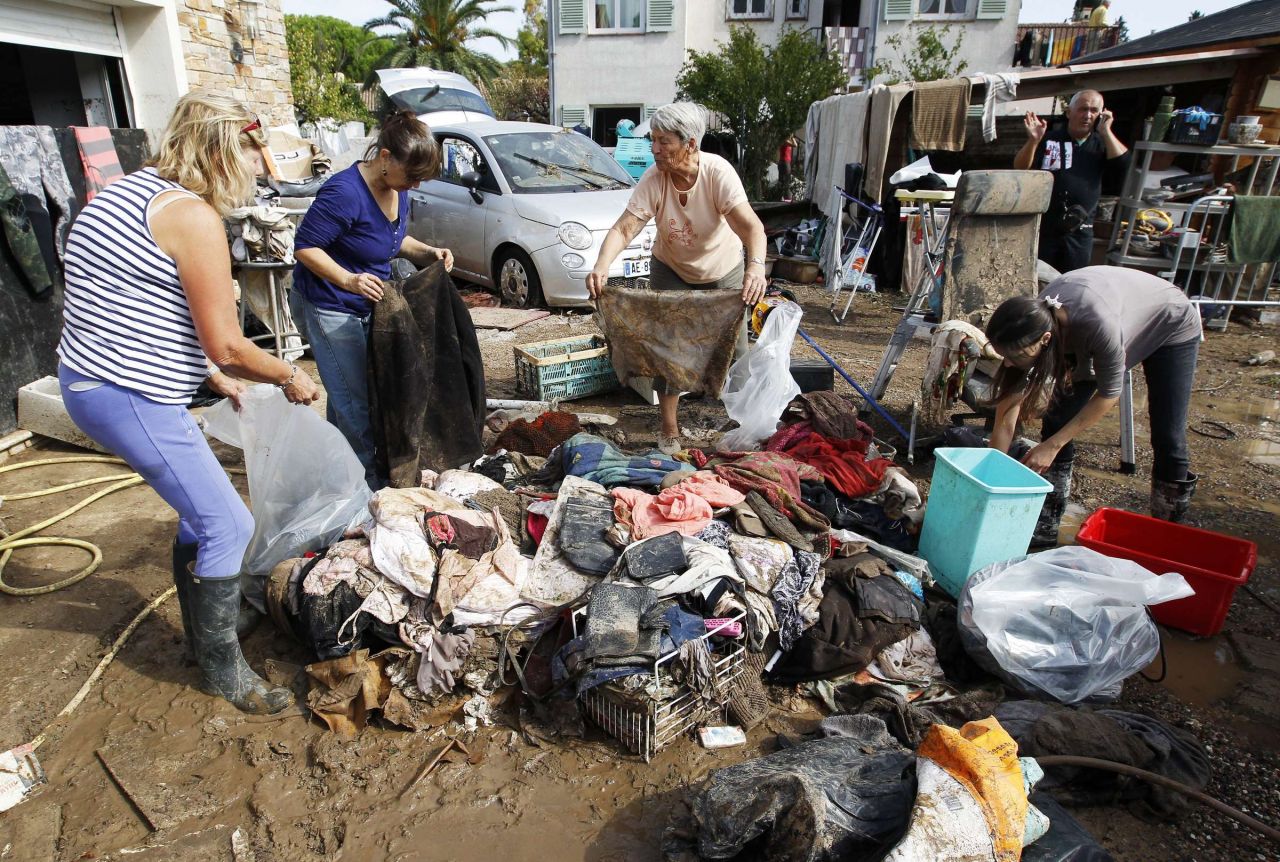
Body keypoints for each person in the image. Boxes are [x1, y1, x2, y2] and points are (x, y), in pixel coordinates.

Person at [57, 92, 321, 715]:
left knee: (200, 510)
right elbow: (231, 343)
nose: (261, 166)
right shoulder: (193, 217)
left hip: (94, 377)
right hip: (128, 393)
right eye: (255, 151)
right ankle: (222, 667)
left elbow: (132, 301)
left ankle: (209, 629)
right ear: (225, 149)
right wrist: (288, 375)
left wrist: (202, 372)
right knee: (230, 523)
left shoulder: (126, 191)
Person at [587, 102, 768, 454]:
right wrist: (602, 264)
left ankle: (746, 427)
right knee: (667, 348)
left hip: (723, 270)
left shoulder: (718, 174)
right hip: (671, 268)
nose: (654, 149)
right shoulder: (654, 179)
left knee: (737, 352)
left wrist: (756, 266)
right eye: (652, 140)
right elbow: (626, 227)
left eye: (664, 141)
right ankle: (669, 428)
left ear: (691, 144)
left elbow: (752, 228)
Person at [289, 110, 453, 488]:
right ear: (384, 157)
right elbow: (305, 247)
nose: (413, 185)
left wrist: (428, 252)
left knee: (349, 395)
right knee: (357, 405)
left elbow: (391, 242)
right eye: (410, 175)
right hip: (330, 305)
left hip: (368, 306)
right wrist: (348, 280)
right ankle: (369, 490)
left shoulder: (397, 190)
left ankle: (336, 473)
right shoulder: (344, 192)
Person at [984, 266, 1202, 545]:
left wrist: (1052, 446)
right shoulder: (1031, 325)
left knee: (1167, 435)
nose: (1008, 363)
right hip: (1093, 328)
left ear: (1045, 340)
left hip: (1170, 323)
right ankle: (1047, 524)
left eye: (1016, 356)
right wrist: (988, 477)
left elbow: (1108, 394)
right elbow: (1005, 419)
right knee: (1057, 421)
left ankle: (1167, 535)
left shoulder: (1097, 324)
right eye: (1004, 355)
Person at [1015, 90, 1129, 274]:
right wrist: (1033, 141)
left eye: (1094, 110)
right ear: (1069, 112)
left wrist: (1106, 131)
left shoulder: (1102, 144)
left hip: (1079, 230)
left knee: (1071, 282)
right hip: (1045, 227)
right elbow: (1020, 169)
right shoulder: (1050, 139)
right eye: (1083, 109)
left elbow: (1123, 164)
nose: (1088, 115)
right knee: (1036, 279)